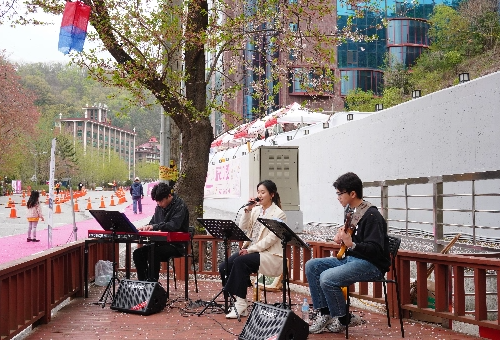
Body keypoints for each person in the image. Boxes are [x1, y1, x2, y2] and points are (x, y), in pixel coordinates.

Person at [305, 172, 391, 334]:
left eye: (340, 193)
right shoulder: (350, 211)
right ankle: (325, 314)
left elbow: (375, 249)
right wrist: (342, 237)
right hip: (351, 259)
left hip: (371, 264)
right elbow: (350, 236)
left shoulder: (372, 215)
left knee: (327, 278)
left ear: (353, 193)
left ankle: (344, 319)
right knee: (312, 266)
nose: (338, 197)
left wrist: (351, 244)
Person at [219, 179, 286, 319]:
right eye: (258, 192)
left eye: (263, 192)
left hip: (269, 254)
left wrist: (250, 250)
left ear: (272, 194)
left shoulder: (279, 214)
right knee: (224, 266)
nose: (260, 195)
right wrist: (248, 209)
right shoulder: (255, 210)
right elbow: (243, 226)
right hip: (251, 249)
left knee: (240, 262)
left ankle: (241, 303)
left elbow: (270, 240)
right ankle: (238, 300)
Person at [132, 183, 189, 282]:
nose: (159, 204)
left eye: (161, 201)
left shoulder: (180, 206)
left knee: (153, 253)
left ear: (169, 196)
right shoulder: (159, 207)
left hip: (176, 244)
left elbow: (173, 225)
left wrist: (154, 226)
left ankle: (152, 284)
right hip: (159, 243)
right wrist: (146, 227)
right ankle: (144, 282)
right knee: (138, 253)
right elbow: (153, 223)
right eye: (157, 201)